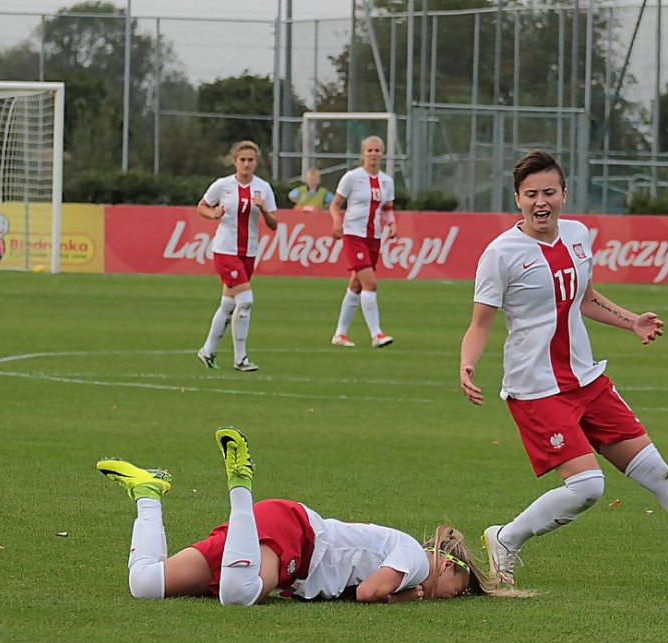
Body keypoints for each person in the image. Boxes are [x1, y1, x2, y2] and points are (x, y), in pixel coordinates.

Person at [459, 148, 668, 587]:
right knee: (588, 487)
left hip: (587, 380)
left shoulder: (576, 236)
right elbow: (480, 323)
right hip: (537, 390)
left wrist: (632, 321)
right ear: (518, 199)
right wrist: (467, 364)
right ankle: (505, 539)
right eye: (531, 194)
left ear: (564, 193)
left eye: (549, 191)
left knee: (657, 471)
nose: (540, 201)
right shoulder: (500, 254)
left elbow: (585, 297)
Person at [97, 427, 527, 604]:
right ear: (447, 563)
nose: (453, 594)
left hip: (282, 528)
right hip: (297, 536)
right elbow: (367, 593)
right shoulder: (415, 558)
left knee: (145, 585)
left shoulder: (408, 557)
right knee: (238, 593)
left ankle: (148, 493)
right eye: (460, 584)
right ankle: (240, 481)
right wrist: (397, 596)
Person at [195, 141, 279, 373]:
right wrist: (213, 213)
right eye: (242, 159)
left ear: (256, 162)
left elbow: (274, 224)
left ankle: (207, 351)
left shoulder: (263, 188)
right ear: (235, 161)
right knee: (246, 300)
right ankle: (240, 358)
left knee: (228, 303)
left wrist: (262, 209)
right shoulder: (223, 185)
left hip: (249, 252)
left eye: (250, 160)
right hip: (225, 250)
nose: (246, 164)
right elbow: (201, 206)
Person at [328, 135, 396, 348]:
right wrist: (337, 222)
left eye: (377, 150)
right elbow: (335, 204)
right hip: (354, 235)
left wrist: (392, 224)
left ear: (382, 153)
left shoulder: (387, 181)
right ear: (363, 154)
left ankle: (339, 335)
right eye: (370, 151)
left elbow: (387, 208)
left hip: (373, 237)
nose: (374, 154)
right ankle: (376, 335)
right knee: (370, 282)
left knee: (356, 285)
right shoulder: (352, 177)